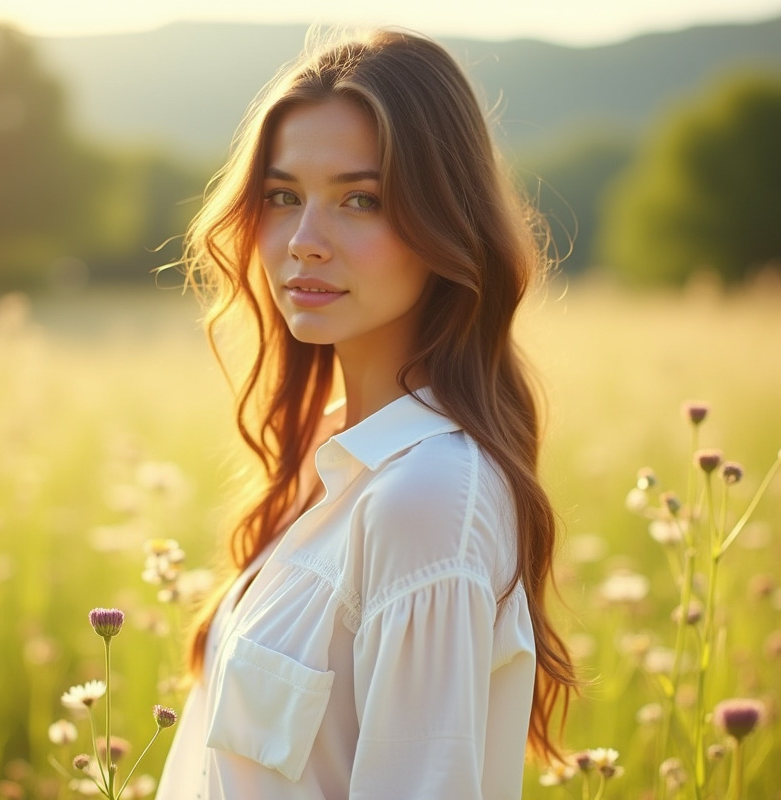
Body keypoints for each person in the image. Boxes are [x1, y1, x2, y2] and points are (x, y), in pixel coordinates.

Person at [156, 28, 577, 800]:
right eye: (283, 197)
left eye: (361, 200)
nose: (304, 242)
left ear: (447, 224)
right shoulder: (335, 457)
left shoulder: (425, 500)